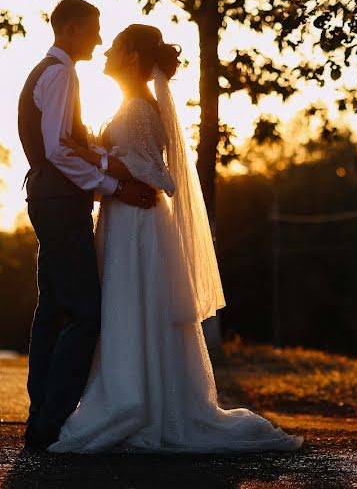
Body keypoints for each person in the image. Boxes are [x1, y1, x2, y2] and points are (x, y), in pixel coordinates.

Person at [47, 24, 302, 453]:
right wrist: (101, 156)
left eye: (115, 46)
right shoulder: (132, 105)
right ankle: (133, 393)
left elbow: (152, 171)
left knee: (132, 304)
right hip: (125, 218)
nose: (106, 52)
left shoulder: (141, 109)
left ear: (131, 57)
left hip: (138, 224)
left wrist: (95, 155)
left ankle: (134, 403)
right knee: (126, 307)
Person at [18, 0, 157, 449]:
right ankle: (53, 420)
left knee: (54, 310)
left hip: (48, 196)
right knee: (84, 311)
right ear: (73, 28)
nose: (99, 40)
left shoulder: (48, 71)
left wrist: (98, 182)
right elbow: (59, 148)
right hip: (58, 200)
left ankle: (41, 416)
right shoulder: (60, 73)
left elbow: (59, 148)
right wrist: (113, 188)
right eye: (95, 29)